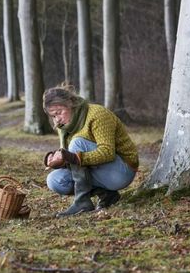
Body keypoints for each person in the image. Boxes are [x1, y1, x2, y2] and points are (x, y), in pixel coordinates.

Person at [43, 85, 139, 217]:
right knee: (54, 180)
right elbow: (74, 162)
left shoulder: (97, 114)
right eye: (53, 116)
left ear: (70, 103)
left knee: (77, 142)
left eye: (59, 113)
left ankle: (82, 202)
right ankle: (107, 195)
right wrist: (59, 161)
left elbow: (107, 152)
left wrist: (73, 157)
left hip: (122, 170)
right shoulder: (63, 127)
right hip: (99, 172)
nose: (57, 119)